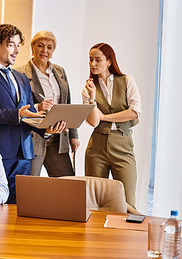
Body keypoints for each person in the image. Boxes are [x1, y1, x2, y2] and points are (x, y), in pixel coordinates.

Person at [0, 24, 66, 204]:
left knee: (19, 206)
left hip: (25, 153)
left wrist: (46, 130)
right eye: (11, 44)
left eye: (18, 45)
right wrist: (17, 114)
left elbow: (28, 116)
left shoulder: (21, 78)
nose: (17, 50)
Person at [82, 43, 141, 209]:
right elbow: (94, 122)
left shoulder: (127, 81)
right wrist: (93, 97)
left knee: (127, 202)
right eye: (90, 60)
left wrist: (106, 117)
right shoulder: (88, 89)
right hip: (97, 148)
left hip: (123, 145)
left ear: (109, 61)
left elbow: (134, 112)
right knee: (93, 202)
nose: (93, 64)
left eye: (97, 60)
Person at [15, 30, 80, 177]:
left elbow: (67, 103)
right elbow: (16, 106)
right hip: (33, 137)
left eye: (49, 47)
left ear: (53, 50)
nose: (45, 50)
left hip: (59, 136)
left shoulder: (60, 71)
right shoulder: (19, 73)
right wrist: (37, 107)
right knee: (30, 185)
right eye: (40, 45)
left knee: (67, 184)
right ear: (32, 48)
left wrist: (73, 136)